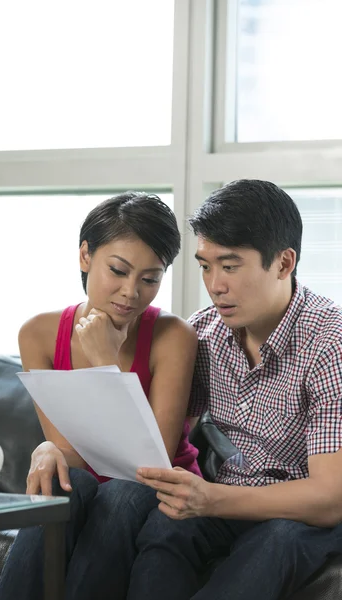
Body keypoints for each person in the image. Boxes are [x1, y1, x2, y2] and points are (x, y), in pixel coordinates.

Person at [122, 179, 342, 600]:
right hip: (226, 497)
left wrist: (211, 499)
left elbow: (329, 498)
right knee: (165, 528)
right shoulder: (203, 333)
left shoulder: (330, 344)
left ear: (283, 263)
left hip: (301, 512)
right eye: (205, 266)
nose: (214, 284)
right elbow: (148, 438)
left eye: (230, 265)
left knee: (276, 543)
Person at [0, 191, 203, 600]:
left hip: (160, 491)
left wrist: (106, 360)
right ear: (85, 256)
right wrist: (48, 450)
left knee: (122, 493)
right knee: (61, 487)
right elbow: (69, 449)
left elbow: (149, 464)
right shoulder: (37, 333)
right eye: (118, 271)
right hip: (93, 484)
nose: (131, 292)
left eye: (150, 278)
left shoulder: (174, 337)